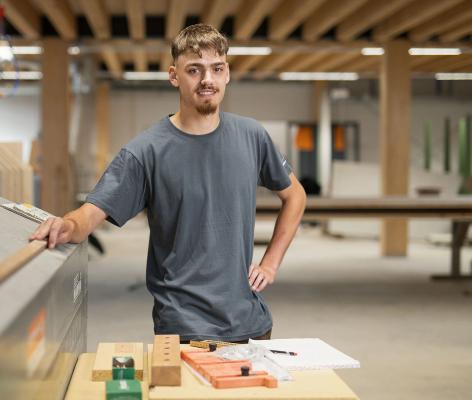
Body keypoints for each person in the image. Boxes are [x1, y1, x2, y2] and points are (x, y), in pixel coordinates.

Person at [30, 24, 306, 343]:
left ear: (227, 73)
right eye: (194, 70)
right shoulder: (146, 151)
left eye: (216, 69)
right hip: (184, 326)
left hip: (251, 322)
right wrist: (66, 224)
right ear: (174, 76)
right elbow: (91, 213)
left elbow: (295, 196)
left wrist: (270, 263)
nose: (207, 80)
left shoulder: (251, 136)